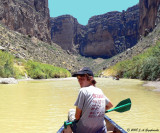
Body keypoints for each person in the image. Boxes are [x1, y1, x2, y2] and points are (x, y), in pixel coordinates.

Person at [72, 67, 113, 133]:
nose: (79, 80)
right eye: (78, 78)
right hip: (101, 131)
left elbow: (77, 117)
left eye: (82, 78)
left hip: (84, 131)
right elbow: (110, 105)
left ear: (90, 78)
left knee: (71, 112)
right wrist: (98, 112)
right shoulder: (99, 90)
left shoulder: (82, 91)